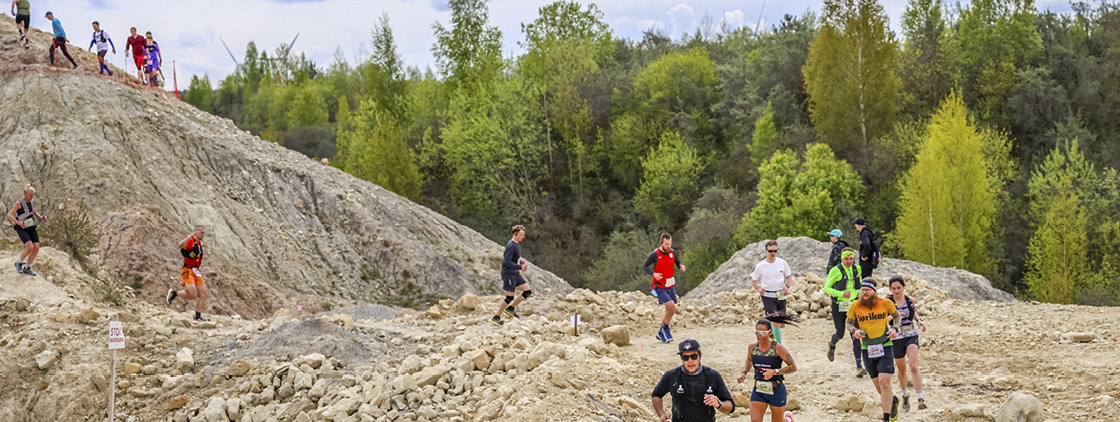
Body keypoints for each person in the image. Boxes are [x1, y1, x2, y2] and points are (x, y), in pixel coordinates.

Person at [847, 280, 903, 422]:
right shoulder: (855, 305)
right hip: (867, 348)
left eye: (867, 290)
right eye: (862, 290)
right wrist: (854, 330)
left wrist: (895, 328)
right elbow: (848, 322)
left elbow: (896, 316)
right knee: (880, 387)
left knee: (885, 382)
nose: (864, 293)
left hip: (885, 345)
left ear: (874, 291)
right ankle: (893, 400)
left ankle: (885, 418)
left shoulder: (884, 303)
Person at [652, 339, 735, 422]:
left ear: (700, 355)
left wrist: (718, 404)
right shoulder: (672, 376)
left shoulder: (712, 376)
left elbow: (730, 406)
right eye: (685, 357)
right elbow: (656, 395)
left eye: (694, 356)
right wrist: (661, 413)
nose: (690, 361)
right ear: (681, 358)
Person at [737, 317, 799, 422]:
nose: (759, 336)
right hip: (759, 389)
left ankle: (787, 419)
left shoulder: (778, 348)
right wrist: (744, 372)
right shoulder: (752, 347)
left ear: (770, 332)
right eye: (757, 332)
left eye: (763, 333)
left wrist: (775, 371)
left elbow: (793, 367)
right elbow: (749, 359)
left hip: (776, 389)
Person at [824, 247, 865, 376]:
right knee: (840, 333)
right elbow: (827, 288)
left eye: (851, 258)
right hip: (838, 306)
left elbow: (860, 284)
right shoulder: (835, 270)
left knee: (856, 335)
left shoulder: (857, 269)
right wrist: (841, 293)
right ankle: (832, 344)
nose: (849, 261)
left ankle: (859, 366)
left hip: (853, 306)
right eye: (846, 259)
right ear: (842, 258)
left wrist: (859, 293)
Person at [889, 276, 928, 411]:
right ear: (890, 289)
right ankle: (905, 394)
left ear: (903, 287)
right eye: (893, 288)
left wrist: (919, 320)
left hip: (911, 335)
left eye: (899, 288)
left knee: (913, 366)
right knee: (902, 369)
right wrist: (894, 315)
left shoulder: (909, 300)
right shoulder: (888, 303)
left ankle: (920, 398)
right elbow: (883, 319)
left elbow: (913, 311)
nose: (896, 291)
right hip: (896, 338)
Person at [642, 232, 686, 343]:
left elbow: (677, 261)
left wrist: (681, 265)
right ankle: (665, 329)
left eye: (670, 244)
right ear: (661, 243)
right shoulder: (655, 255)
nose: (668, 246)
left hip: (671, 285)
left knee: (669, 310)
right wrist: (653, 274)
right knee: (672, 308)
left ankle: (661, 332)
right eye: (666, 244)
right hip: (659, 286)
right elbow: (645, 266)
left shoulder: (673, 252)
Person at [166, 226, 209, 323]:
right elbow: (180, 245)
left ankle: (197, 317)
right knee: (192, 295)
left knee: (203, 294)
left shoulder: (199, 244)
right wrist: (189, 236)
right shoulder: (191, 241)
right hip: (187, 270)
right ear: (196, 233)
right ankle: (174, 293)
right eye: (201, 233)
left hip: (196, 271)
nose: (203, 235)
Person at [491, 225, 530, 326]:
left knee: (527, 291)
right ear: (515, 234)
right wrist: (520, 267)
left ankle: (511, 308)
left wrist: (520, 259)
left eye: (523, 235)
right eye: (521, 235)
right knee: (509, 297)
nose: (523, 237)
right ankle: (496, 317)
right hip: (509, 274)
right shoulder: (511, 245)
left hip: (515, 274)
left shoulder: (516, 244)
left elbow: (514, 256)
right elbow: (506, 262)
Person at [6, 184, 47, 276]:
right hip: (22, 227)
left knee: (36, 248)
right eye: (30, 195)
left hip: (30, 226)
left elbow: (33, 212)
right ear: (25, 194)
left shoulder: (32, 202)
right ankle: (19, 262)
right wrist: (18, 222)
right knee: (29, 247)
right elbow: (10, 214)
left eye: (33, 195)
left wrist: (41, 217)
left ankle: (27, 267)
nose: (32, 197)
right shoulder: (19, 203)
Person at [750, 240, 793, 317]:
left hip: (780, 294)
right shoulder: (761, 265)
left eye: (775, 251)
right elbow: (753, 281)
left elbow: (789, 277)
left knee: (781, 320)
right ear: (766, 251)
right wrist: (759, 289)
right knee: (774, 318)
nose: (773, 253)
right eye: (770, 251)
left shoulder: (782, 263)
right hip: (768, 295)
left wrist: (787, 287)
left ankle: (774, 329)